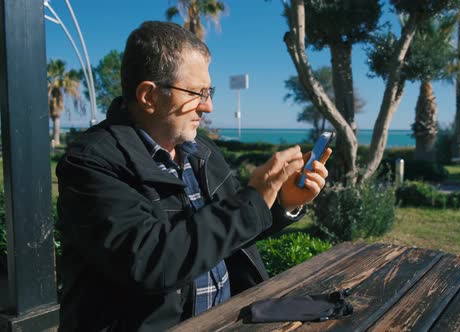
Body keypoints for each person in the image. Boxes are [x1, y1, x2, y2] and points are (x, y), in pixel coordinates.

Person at [55, 21, 331, 331]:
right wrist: (253, 200)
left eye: (208, 92)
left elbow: (227, 230)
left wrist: (280, 203)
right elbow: (152, 261)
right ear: (149, 96)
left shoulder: (200, 149)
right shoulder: (91, 162)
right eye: (197, 93)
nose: (209, 106)